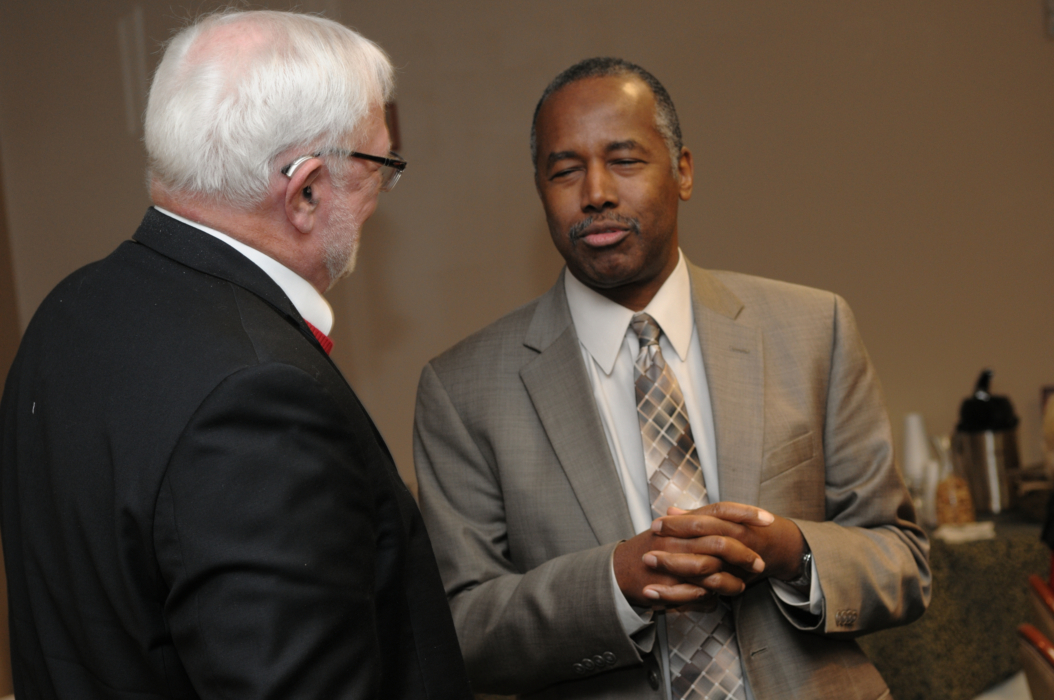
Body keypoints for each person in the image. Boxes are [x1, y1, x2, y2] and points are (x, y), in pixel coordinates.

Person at [413, 57, 930, 700]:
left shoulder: (811, 330)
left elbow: (902, 561)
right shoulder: (461, 391)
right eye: (565, 170)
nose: (596, 192)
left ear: (683, 171)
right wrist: (615, 584)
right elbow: (459, 632)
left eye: (625, 160)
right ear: (540, 189)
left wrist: (791, 551)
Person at [0, 11, 470, 699]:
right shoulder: (261, 397)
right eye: (379, 166)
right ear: (306, 191)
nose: (380, 195)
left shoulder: (68, 312)